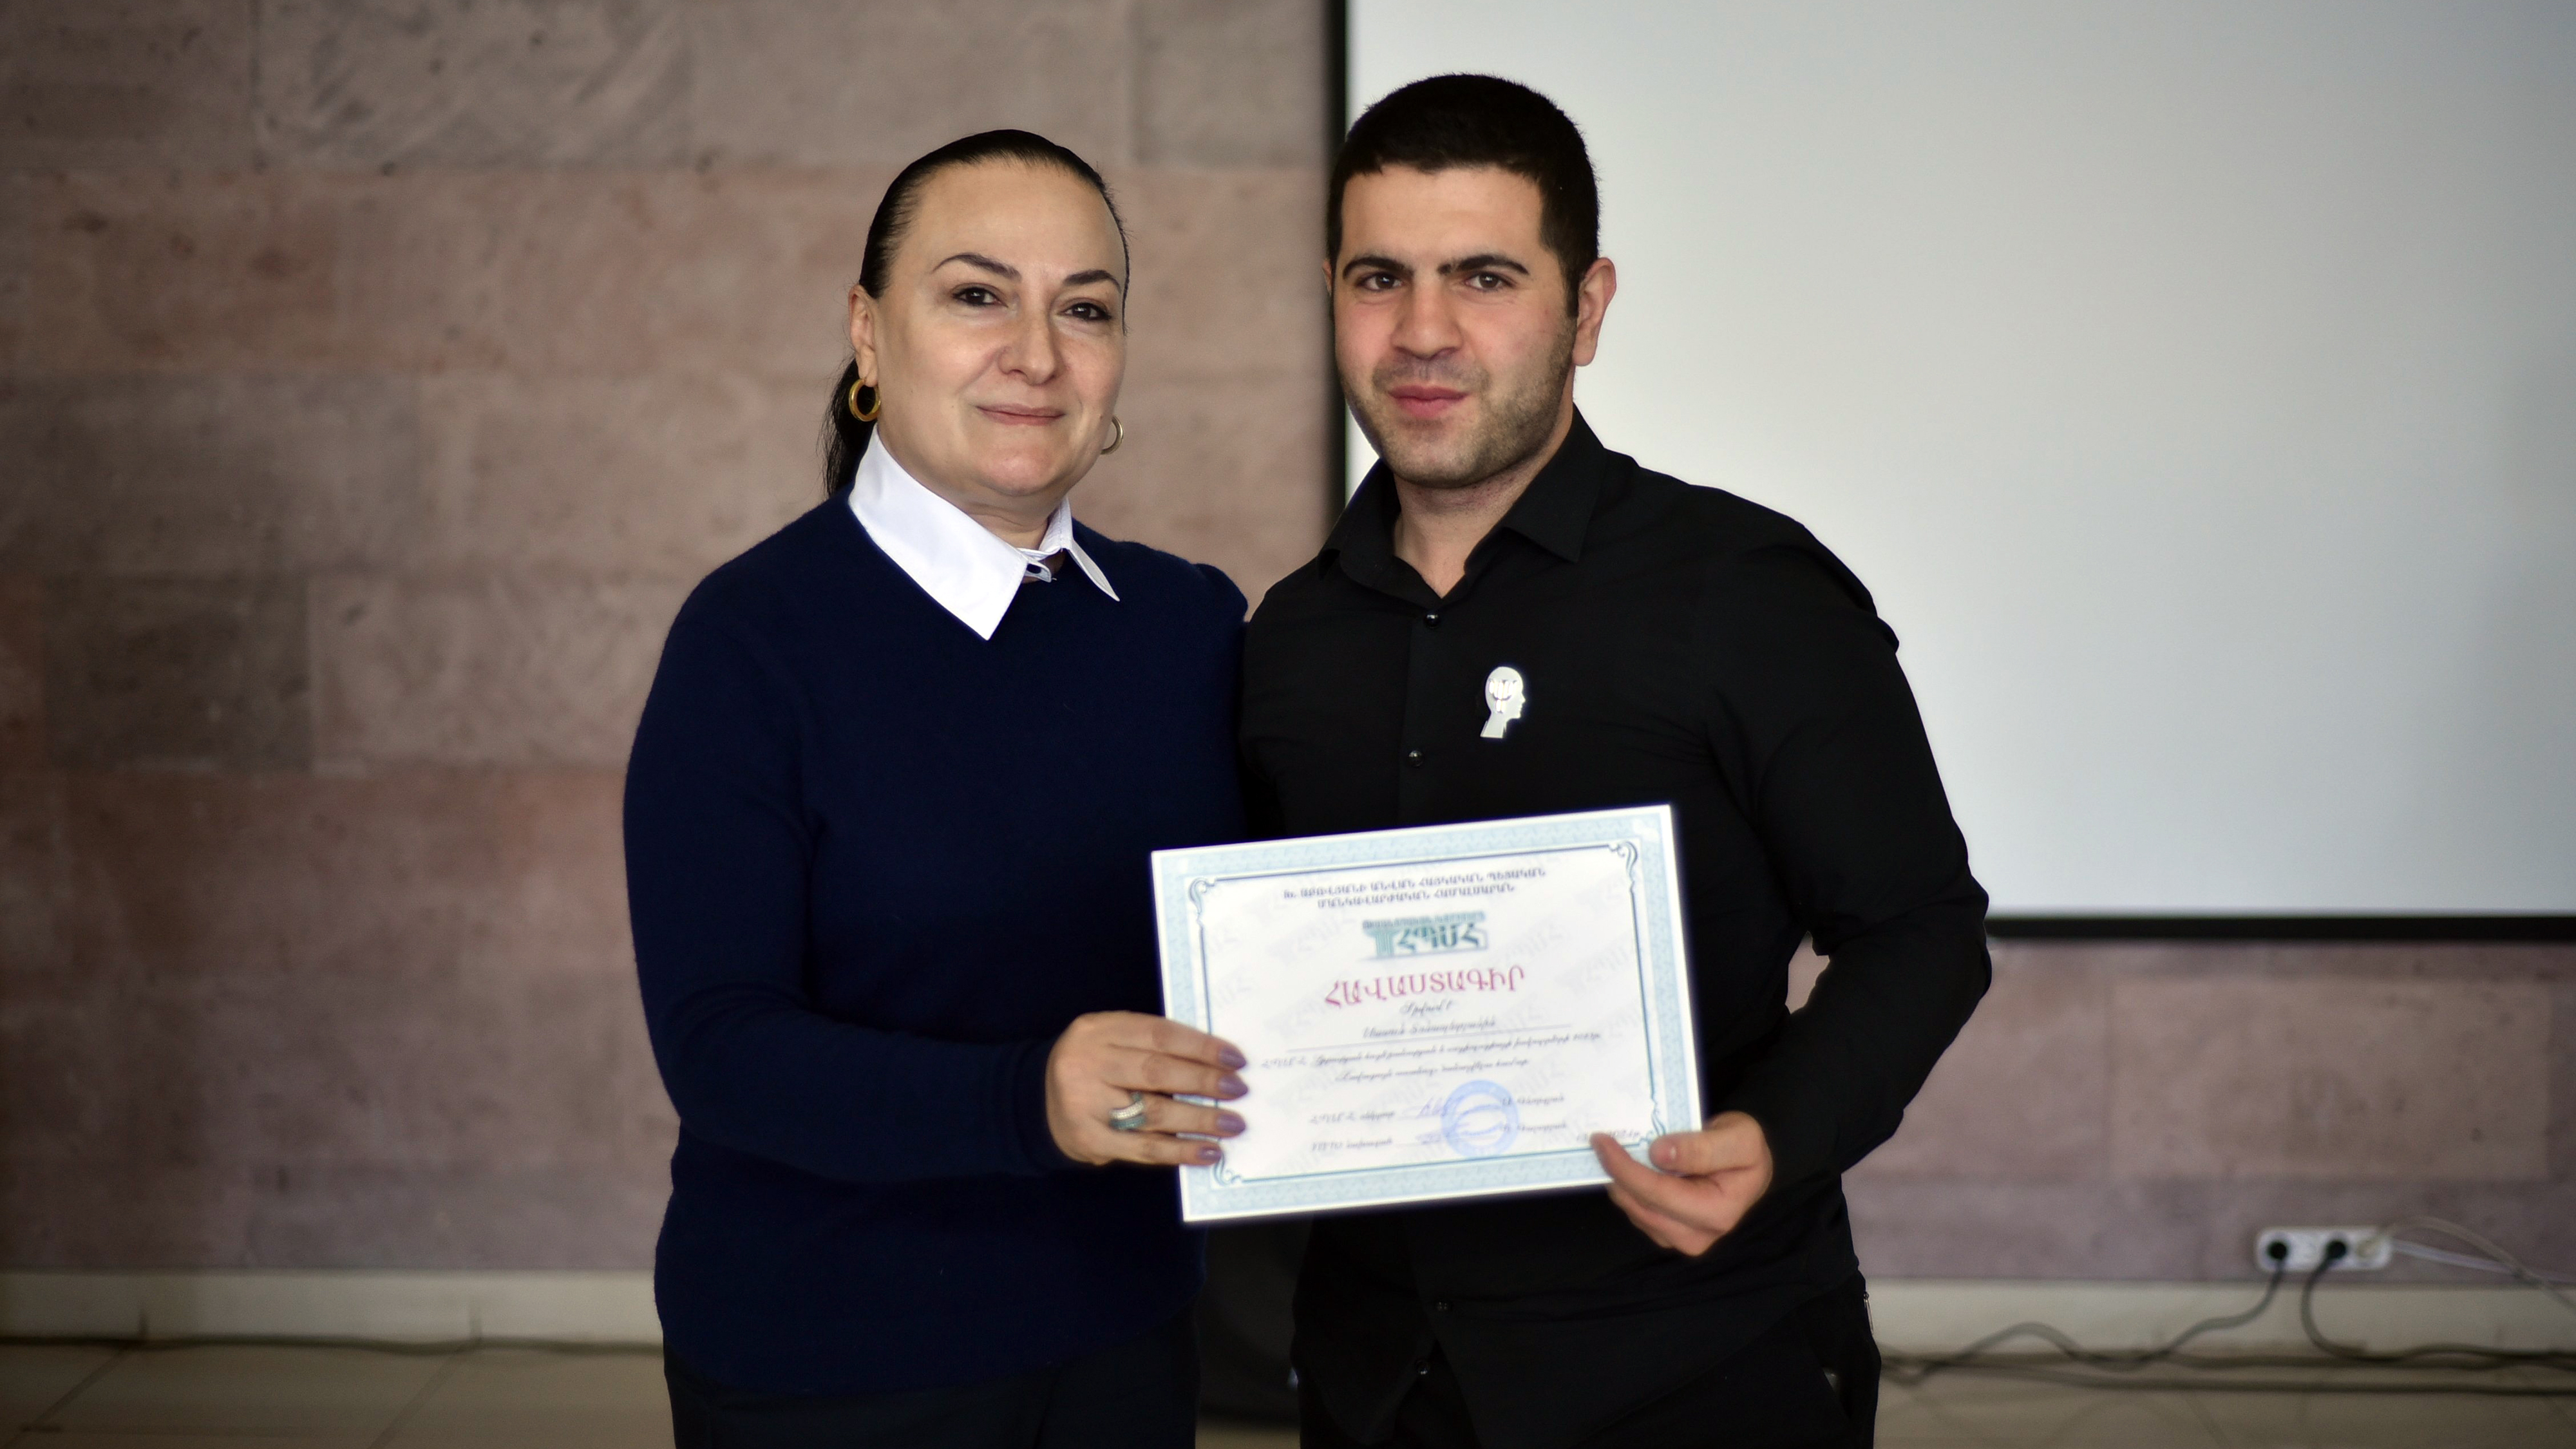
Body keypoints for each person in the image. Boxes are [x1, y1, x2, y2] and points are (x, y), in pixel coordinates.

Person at [1239, 77, 1993, 1448]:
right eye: (1378, 278)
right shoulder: (1285, 640)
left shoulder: (1745, 592)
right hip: (1374, 1382)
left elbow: (1920, 929)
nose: (1422, 330)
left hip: (1694, 1367)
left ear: (1585, 309)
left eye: (1484, 277)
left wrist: (1774, 1136)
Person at [625, 129, 1252, 1448]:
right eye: (977, 295)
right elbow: (721, 1047)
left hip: (1126, 1333)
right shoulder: (751, 643)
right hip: (833, 1356)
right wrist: (1030, 1099)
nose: (1036, 353)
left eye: (1084, 308)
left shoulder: (1188, 626)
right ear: (868, 332)